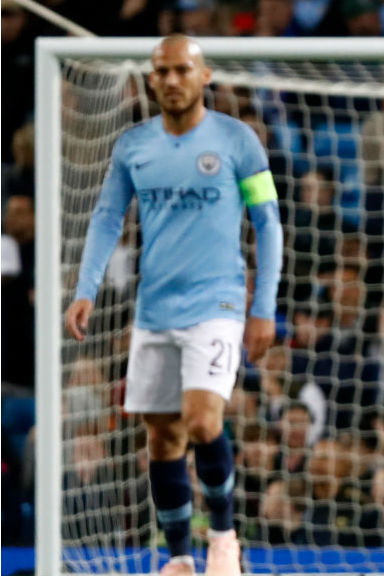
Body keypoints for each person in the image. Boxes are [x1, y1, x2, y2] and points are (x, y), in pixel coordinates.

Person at [64, 35, 283, 576]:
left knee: (204, 422)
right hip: (154, 311)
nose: (171, 79)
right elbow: (107, 219)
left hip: (218, 304)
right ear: (150, 78)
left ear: (204, 75)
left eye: (182, 69)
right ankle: (181, 556)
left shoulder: (238, 141)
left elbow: (268, 225)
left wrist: (265, 306)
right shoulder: (134, 145)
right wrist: (85, 288)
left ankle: (225, 537)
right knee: (161, 436)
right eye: (161, 71)